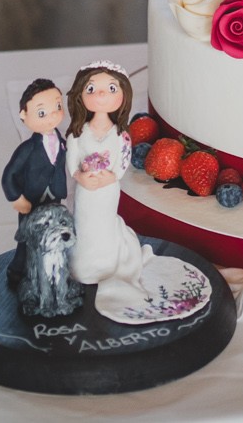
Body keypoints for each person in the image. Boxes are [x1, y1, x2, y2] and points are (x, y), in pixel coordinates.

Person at [63, 63, 211, 323]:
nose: (100, 95)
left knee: (104, 224)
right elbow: (72, 163)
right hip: (86, 191)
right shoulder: (78, 133)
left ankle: (107, 262)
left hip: (108, 190)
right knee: (85, 225)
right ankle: (84, 266)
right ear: (80, 94)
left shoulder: (121, 135)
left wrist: (110, 176)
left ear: (123, 95)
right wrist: (81, 177)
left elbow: (122, 163)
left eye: (110, 88)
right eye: (91, 88)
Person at [1, 80, 70, 285]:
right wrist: (16, 197)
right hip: (31, 202)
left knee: (52, 237)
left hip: (54, 198)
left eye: (57, 107)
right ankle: (18, 271)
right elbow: (8, 174)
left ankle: (48, 273)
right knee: (27, 239)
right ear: (23, 115)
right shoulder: (27, 149)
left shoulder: (62, 142)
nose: (52, 116)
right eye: (42, 113)